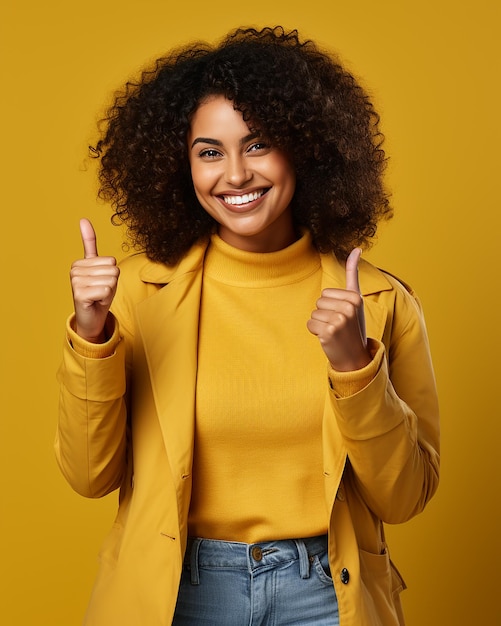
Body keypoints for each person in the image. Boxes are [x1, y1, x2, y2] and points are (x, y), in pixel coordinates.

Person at [55, 26, 440, 626]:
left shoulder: (379, 302)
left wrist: (354, 367)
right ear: (180, 166)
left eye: (257, 144)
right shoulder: (133, 296)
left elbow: (404, 495)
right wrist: (91, 336)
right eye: (209, 151)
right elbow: (88, 476)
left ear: (305, 148)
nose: (235, 174)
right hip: (181, 590)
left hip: (325, 595)